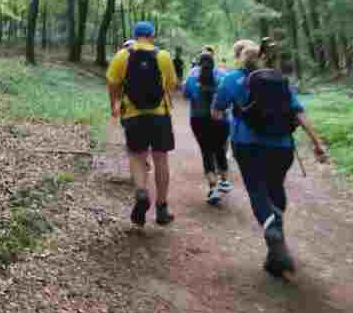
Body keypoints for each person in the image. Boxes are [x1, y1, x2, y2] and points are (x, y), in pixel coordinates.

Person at [213, 39, 328, 278]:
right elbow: (299, 113)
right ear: (263, 59)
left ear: (241, 60)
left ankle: (272, 230)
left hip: (248, 145)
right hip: (282, 147)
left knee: (257, 190)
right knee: (275, 188)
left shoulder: (232, 79)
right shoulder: (279, 81)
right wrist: (318, 145)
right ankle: (276, 253)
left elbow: (216, 111)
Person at [106, 21, 178, 227]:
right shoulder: (162, 56)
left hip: (133, 115)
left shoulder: (123, 55)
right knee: (161, 159)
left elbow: (112, 82)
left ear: (135, 35)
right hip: (159, 115)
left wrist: (114, 104)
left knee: (137, 157)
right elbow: (172, 84)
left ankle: (141, 193)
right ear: (152, 35)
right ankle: (162, 208)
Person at [183, 51, 232, 205]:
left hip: (198, 119)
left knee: (206, 151)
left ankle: (213, 188)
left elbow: (186, 95)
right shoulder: (223, 77)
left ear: (198, 63)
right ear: (214, 62)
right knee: (220, 149)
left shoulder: (191, 79)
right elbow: (229, 98)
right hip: (221, 119)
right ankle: (224, 180)